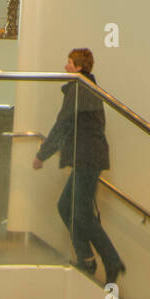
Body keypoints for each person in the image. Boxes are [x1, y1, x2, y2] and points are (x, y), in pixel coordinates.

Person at [33, 48, 125, 285]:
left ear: (78, 67)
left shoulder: (79, 89)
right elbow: (69, 125)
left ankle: (110, 260)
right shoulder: (84, 89)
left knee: (80, 212)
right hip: (86, 158)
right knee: (67, 207)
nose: (65, 67)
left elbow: (63, 124)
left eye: (69, 63)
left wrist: (42, 155)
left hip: (88, 159)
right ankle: (87, 258)